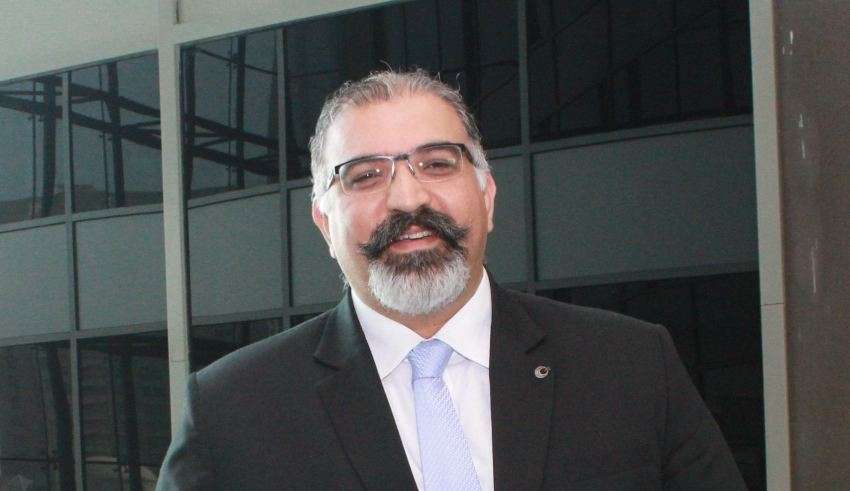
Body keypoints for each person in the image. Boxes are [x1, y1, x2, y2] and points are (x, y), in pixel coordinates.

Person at [157, 69, 746, 490]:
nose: (407, 198)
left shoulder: (631, 365)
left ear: (486, 197)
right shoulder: (231, 410)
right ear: (324, 223)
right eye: (365, 176)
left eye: (437, 163)